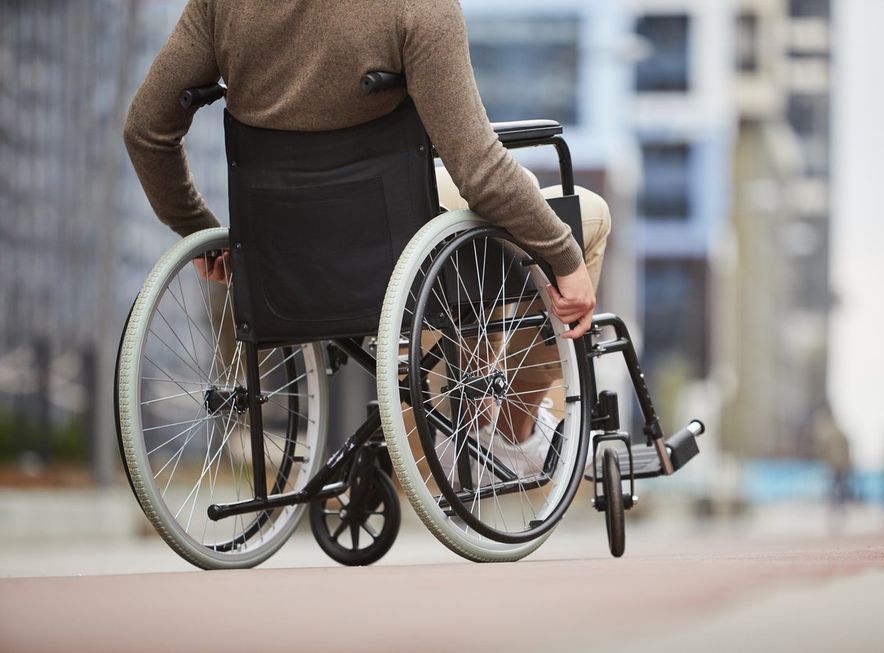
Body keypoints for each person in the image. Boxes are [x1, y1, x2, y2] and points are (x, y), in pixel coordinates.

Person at [123, 0, 611, 471]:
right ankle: (512, 428)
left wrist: (197, 229)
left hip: (280, 254)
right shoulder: (419, 8)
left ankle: (466, 412)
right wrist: (564, 257)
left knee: (511, 194)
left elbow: (145, 131)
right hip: (389, 251)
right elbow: (478, 170)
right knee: (583, 215)